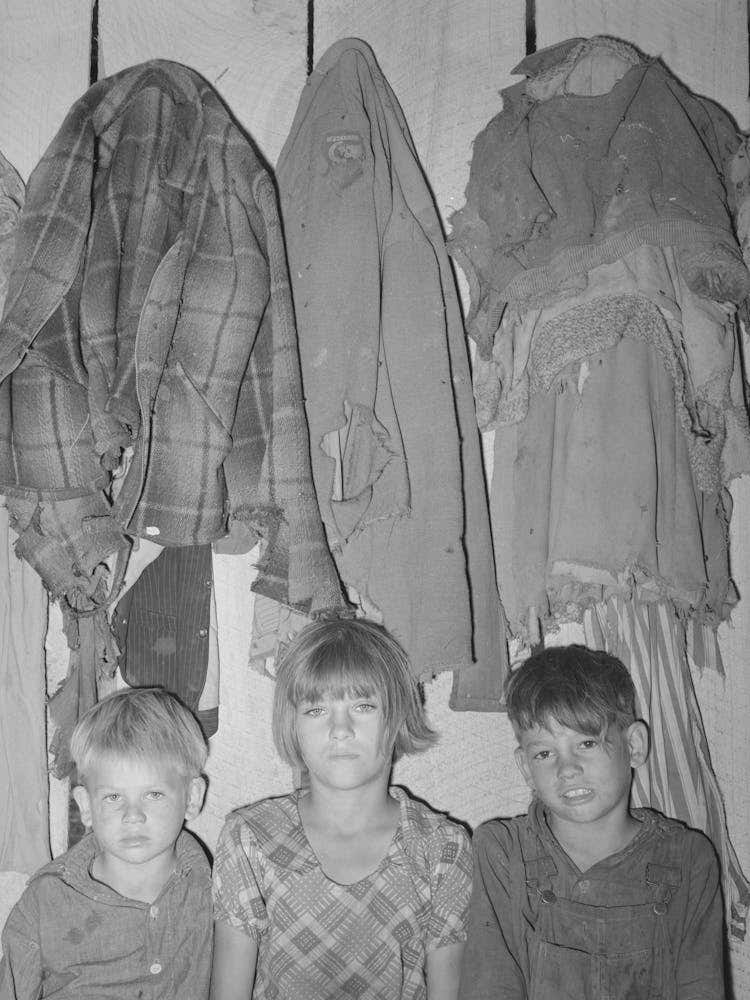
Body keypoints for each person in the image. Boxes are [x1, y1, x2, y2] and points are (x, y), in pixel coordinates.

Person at [210, 617, 472, 1000]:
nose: (340, 729)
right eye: (316, 710)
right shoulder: (249, 839)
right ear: (292, 724)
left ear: (397, 715)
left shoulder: (442, 847)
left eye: (363, 706)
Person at [459, 643, 725, 1000]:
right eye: (545, 753)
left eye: (586, 743)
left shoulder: (689, 859)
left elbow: (701, 988)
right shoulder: (503, 852)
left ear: (634, 745)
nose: (567, 769)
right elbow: (490, 986)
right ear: (526, 768)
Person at [0, 687, 212, 1000]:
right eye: (113, 797)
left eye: (153, 794)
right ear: (86, 806)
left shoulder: (214, 892)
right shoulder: (44, 904)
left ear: (192, 798)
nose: (133, 816)